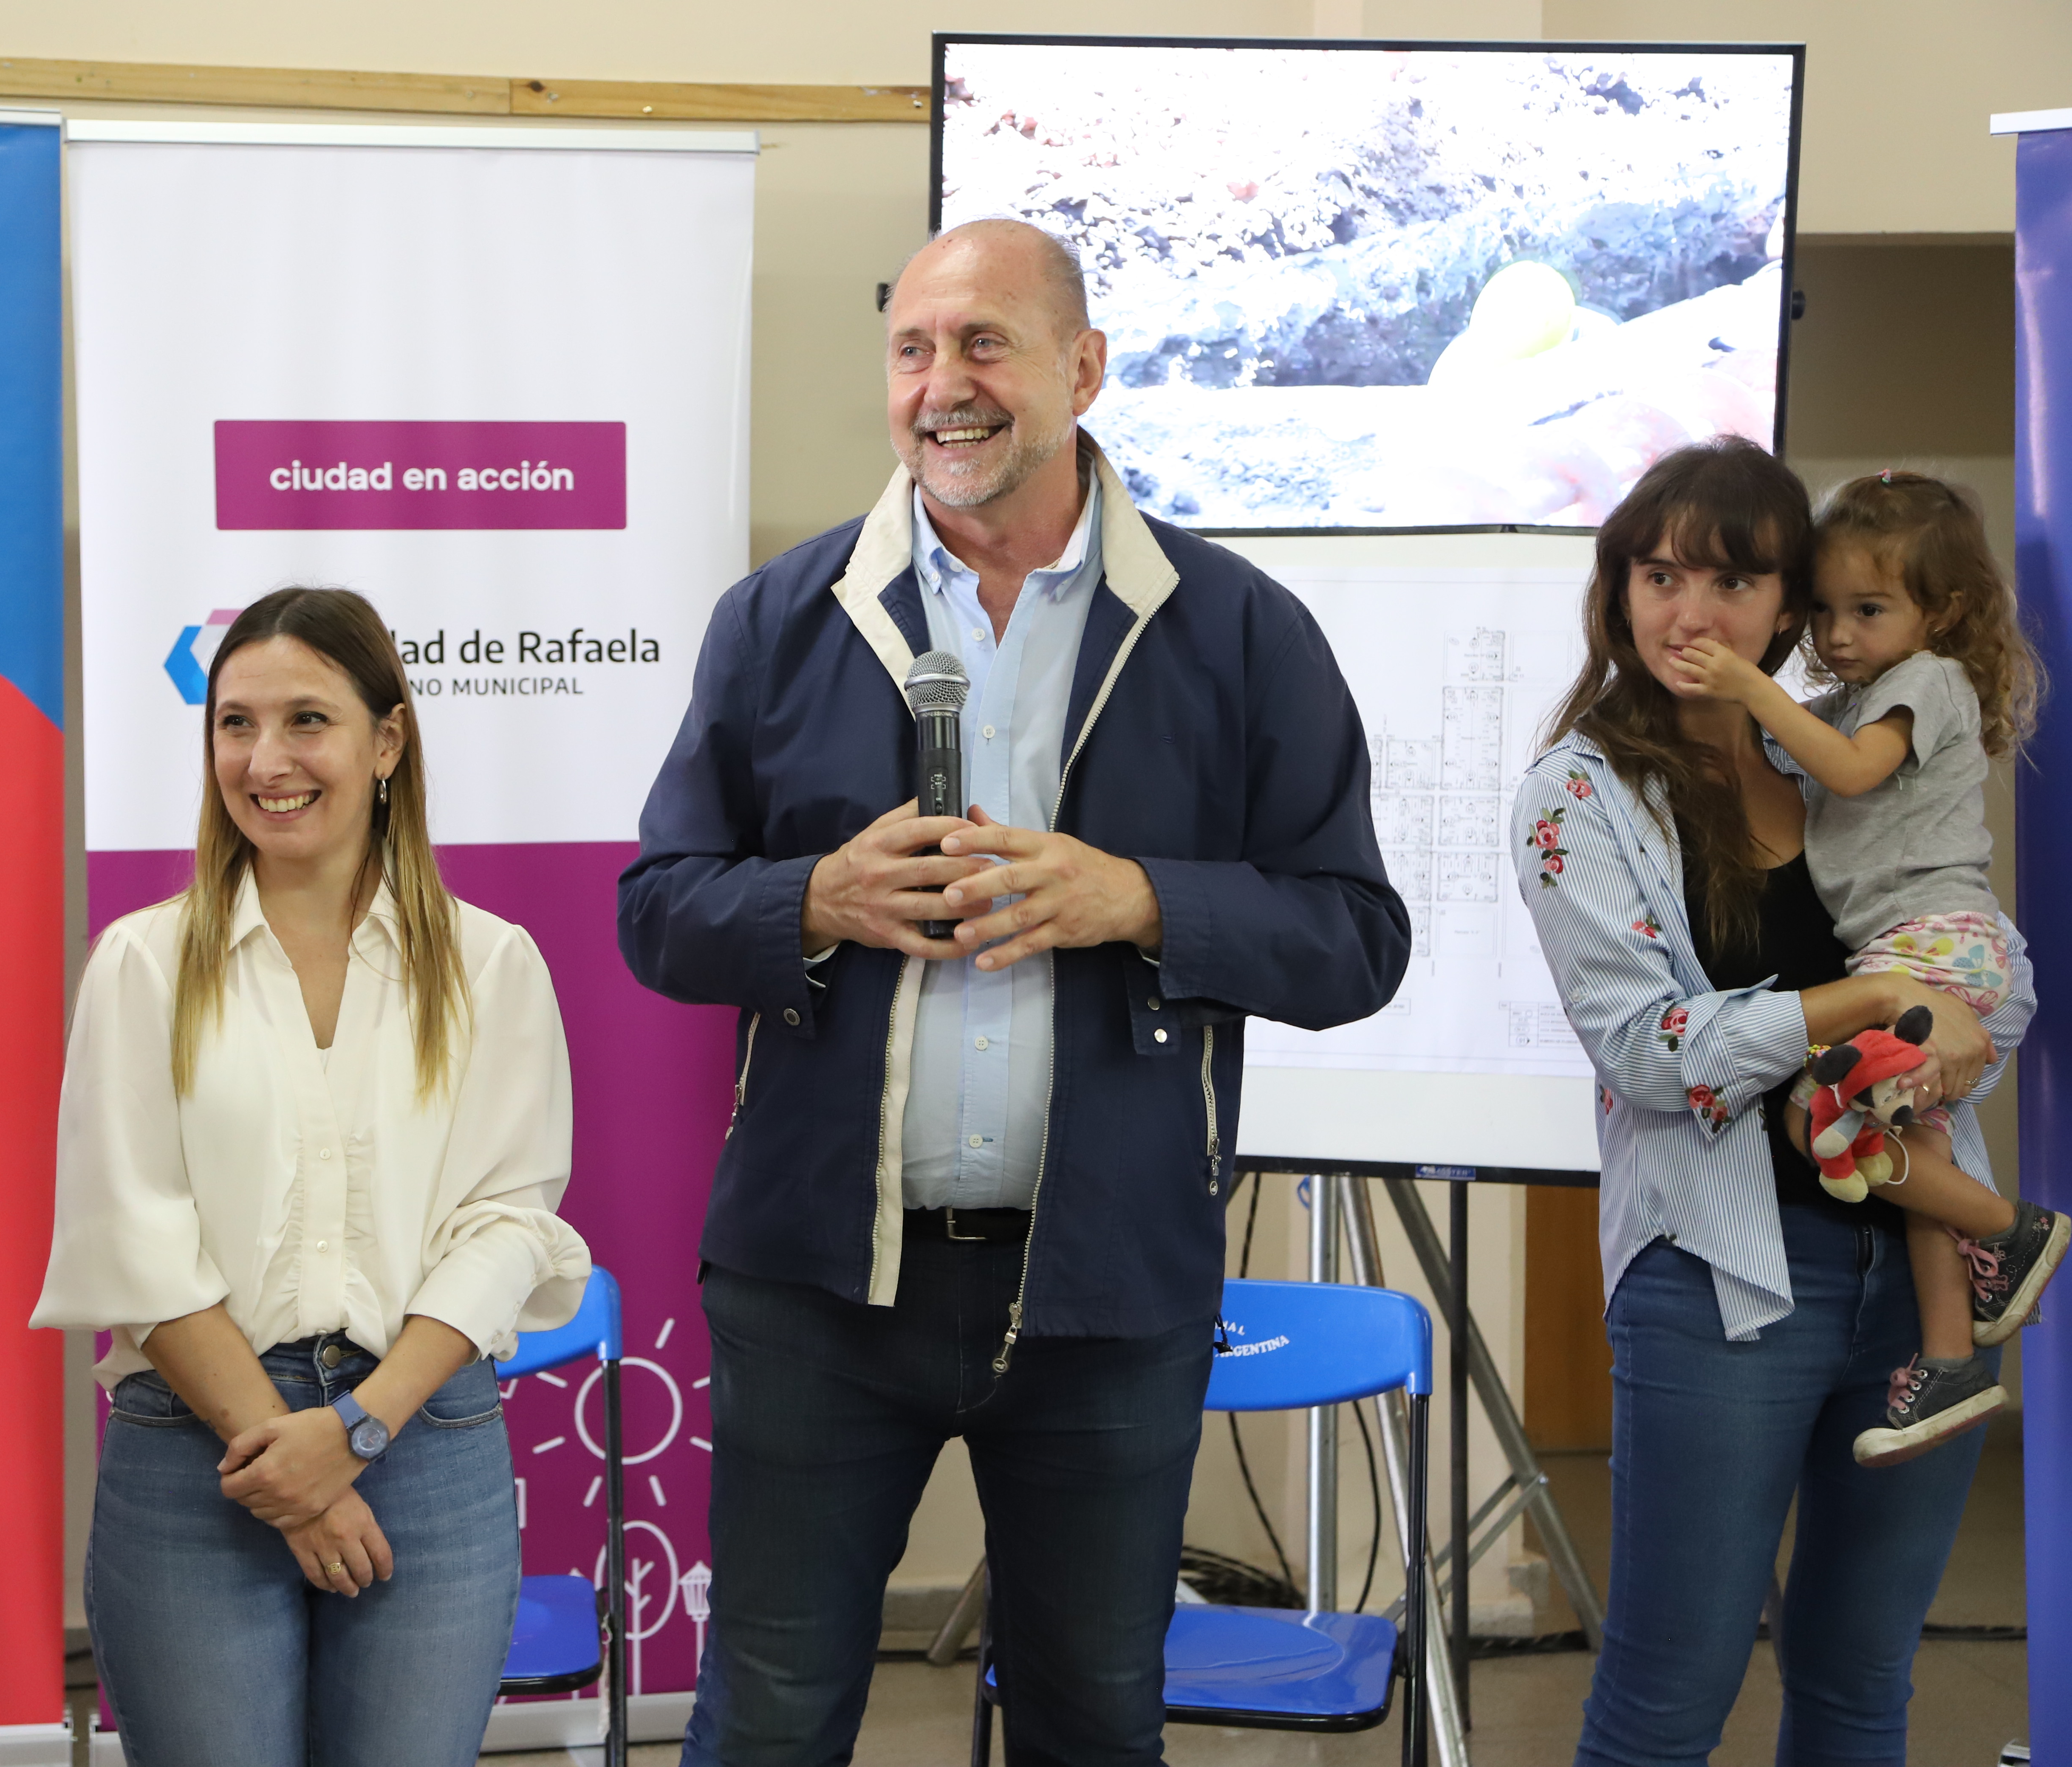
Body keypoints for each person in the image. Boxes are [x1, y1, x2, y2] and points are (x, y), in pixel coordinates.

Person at [619, 217, 1409, 1764]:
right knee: (767, 1718)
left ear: (1084, 368)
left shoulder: (1237, 628)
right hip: (818, 1287)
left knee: (1093, 1723)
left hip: (1108, 1291)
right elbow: (658, 915)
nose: (943, 386)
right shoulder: (781, 620)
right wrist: (815, 899)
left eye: (984, 342)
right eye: (913, 350)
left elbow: (1354, 940)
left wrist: (1142, 900)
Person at [1512, 439, 2033, 1764]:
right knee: (1666, 1703)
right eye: (1661, 575)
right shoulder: (1580, 794)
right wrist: (1864, 1005)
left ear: (1790, 605)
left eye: (1734, 583)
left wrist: (1947, 1023)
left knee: (1861, 1684)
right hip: (1722, 1283)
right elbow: (1649, 1053)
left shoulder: (1828, 761)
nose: (1692, 613)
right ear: (1619, 590)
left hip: (1918, 1277)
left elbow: (1964, 970)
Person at [33, 587, 590, 1767]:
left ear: (387, 743)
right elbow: (131, 1234)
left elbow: (508, 1223)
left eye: (306, 721)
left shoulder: (491, 964)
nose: (265, 760)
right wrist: (298, 1464)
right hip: (195, 1444)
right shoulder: (143, 963)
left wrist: (358, 1431)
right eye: (235, 724)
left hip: (424, 1436)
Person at [1666, 466, 2062, 1466]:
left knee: (1821, 1114)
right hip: (1910, 948)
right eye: (1825, 611)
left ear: (1945, 611)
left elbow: (1847, 774)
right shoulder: (1858, 694)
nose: (1837, 635)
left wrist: (1751, 685)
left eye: (1869, 610)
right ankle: (1951, 1360)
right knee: (1905, 1149)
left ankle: (2012, 1230)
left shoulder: (1926, 681)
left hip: (1935, 946)